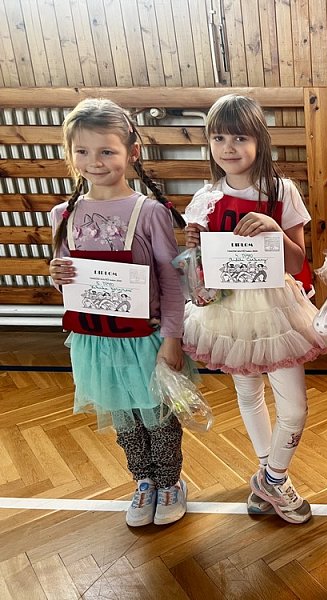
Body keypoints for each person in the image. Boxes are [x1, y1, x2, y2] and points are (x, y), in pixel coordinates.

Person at [182, 94, 327, 524]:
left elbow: (298, 263)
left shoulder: (281, 191)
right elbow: (198, 268)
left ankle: (272, 476)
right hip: (227, 311)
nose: (228, 147)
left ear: (259, 141)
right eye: (219, 138)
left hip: (277, 308)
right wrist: (193, 248)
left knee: (294, 408)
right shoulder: (205, 197)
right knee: (248, 393)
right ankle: (271, 475)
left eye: (239, 137)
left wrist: (273, 229)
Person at [48, 98, 190, 527]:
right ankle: (142, 480)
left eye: (107, 151)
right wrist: (57, 275)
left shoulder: (149, 212)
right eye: (82, 151)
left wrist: (172, 338)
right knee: (124, 418)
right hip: (95, 340)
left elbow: (171, 281)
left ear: (132, 152)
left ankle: (170, 482)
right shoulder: (64, 214)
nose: (94, 161)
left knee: (158, 417)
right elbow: (70, 282)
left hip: (145, 338)